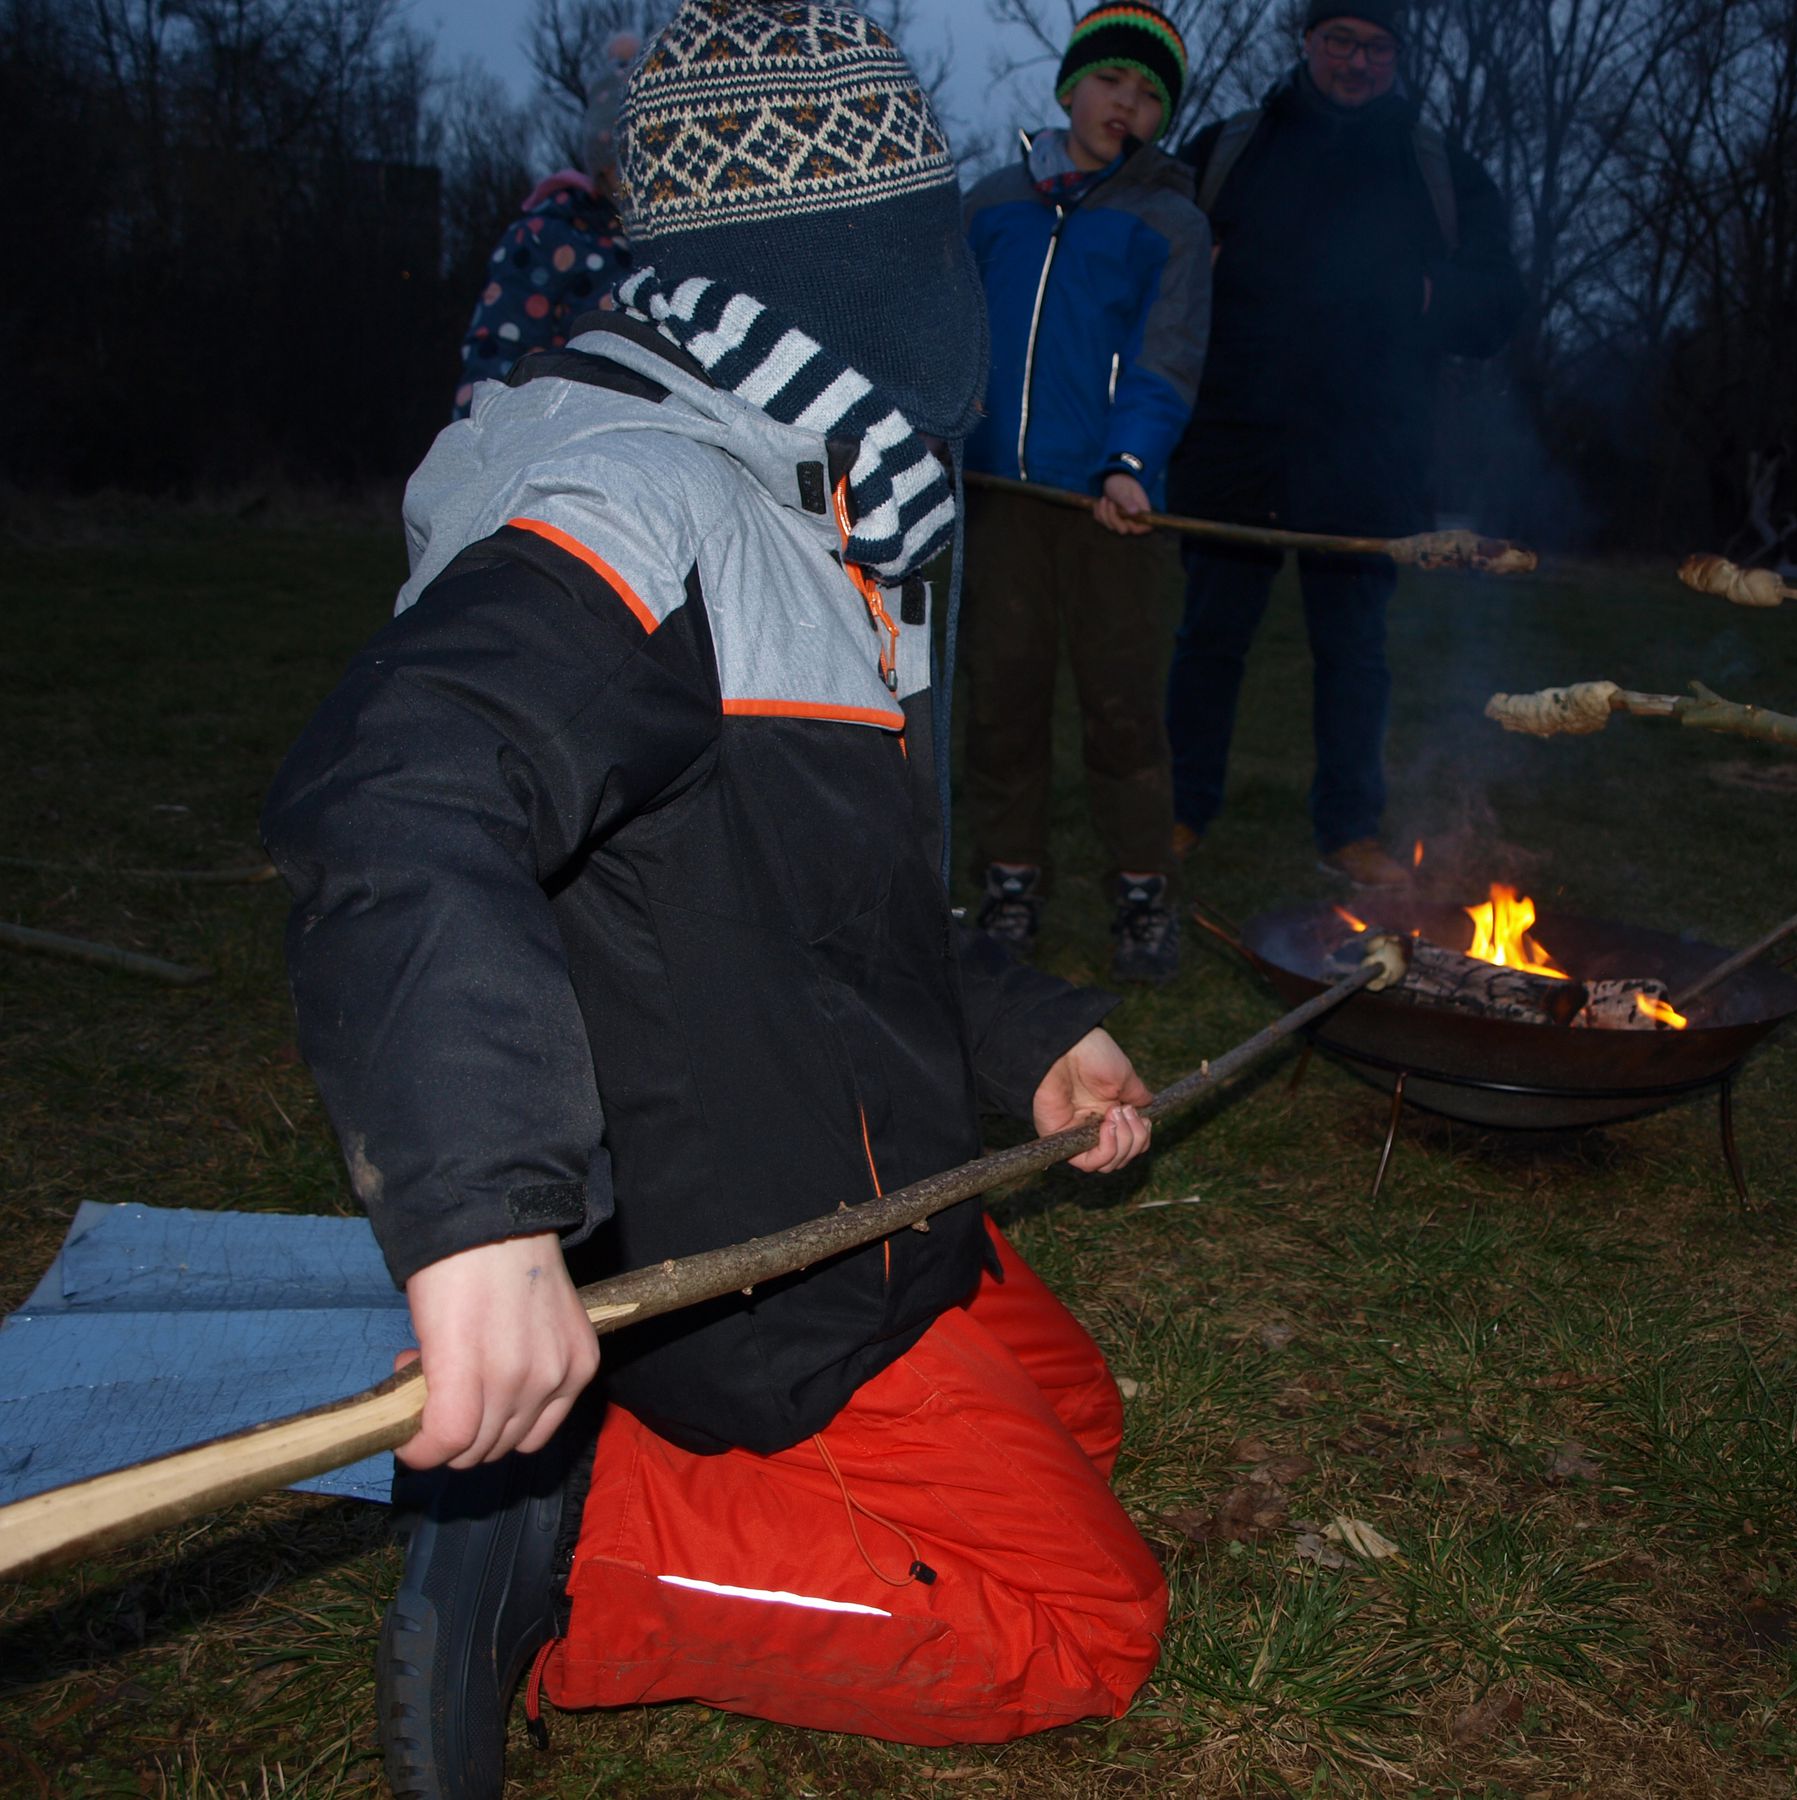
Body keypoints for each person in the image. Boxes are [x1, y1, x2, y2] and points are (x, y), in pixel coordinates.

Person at [262, 8, 1168, 1794]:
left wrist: (1028, 1034)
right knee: (1087, 1623)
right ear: (828, 260)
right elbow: (400, 788)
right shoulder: (635, 498)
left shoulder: (823, 494)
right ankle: (579, 1556)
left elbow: (845, 900)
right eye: (918, 243)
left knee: (1083, 1415)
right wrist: (480, 1215)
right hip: (745, 1276)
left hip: (872, 1192)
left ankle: (693, 1469)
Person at [1164, 0, 1526, 887]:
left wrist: (1430, 297)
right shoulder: (1231, 149)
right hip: (1235, 444)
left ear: (1398, 57)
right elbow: (1148, 265)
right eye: (1340, 41)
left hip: (1369, 453)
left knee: (1355, 653)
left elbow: (1498, 306)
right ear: (1307, 42)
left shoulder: (1437, 169)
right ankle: (1180, 809)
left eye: (1376, 47)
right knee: (1209, 639)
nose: (1357, 63)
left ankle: (1349, 830)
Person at [959, 1, 1209, 981]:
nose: (1125, 105)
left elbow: (1167, 356)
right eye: (1111, 81)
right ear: (1070, 87)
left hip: (1112, 508)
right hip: (998, 497)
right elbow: (953, 335)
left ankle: (1142, 894)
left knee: (1122, 708)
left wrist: (1130, 463)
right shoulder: (990, 207)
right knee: (1001, 699)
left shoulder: (1168, 222)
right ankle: (1009, 884)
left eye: (1148, 97)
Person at [450, 33, 644, 418]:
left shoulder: (670, 245)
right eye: (619, 163)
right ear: (600, 165)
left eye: (643, 162)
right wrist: (485, 433)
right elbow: (495, 356)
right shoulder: (545, 237)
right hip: (559, 435)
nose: (632, 179)